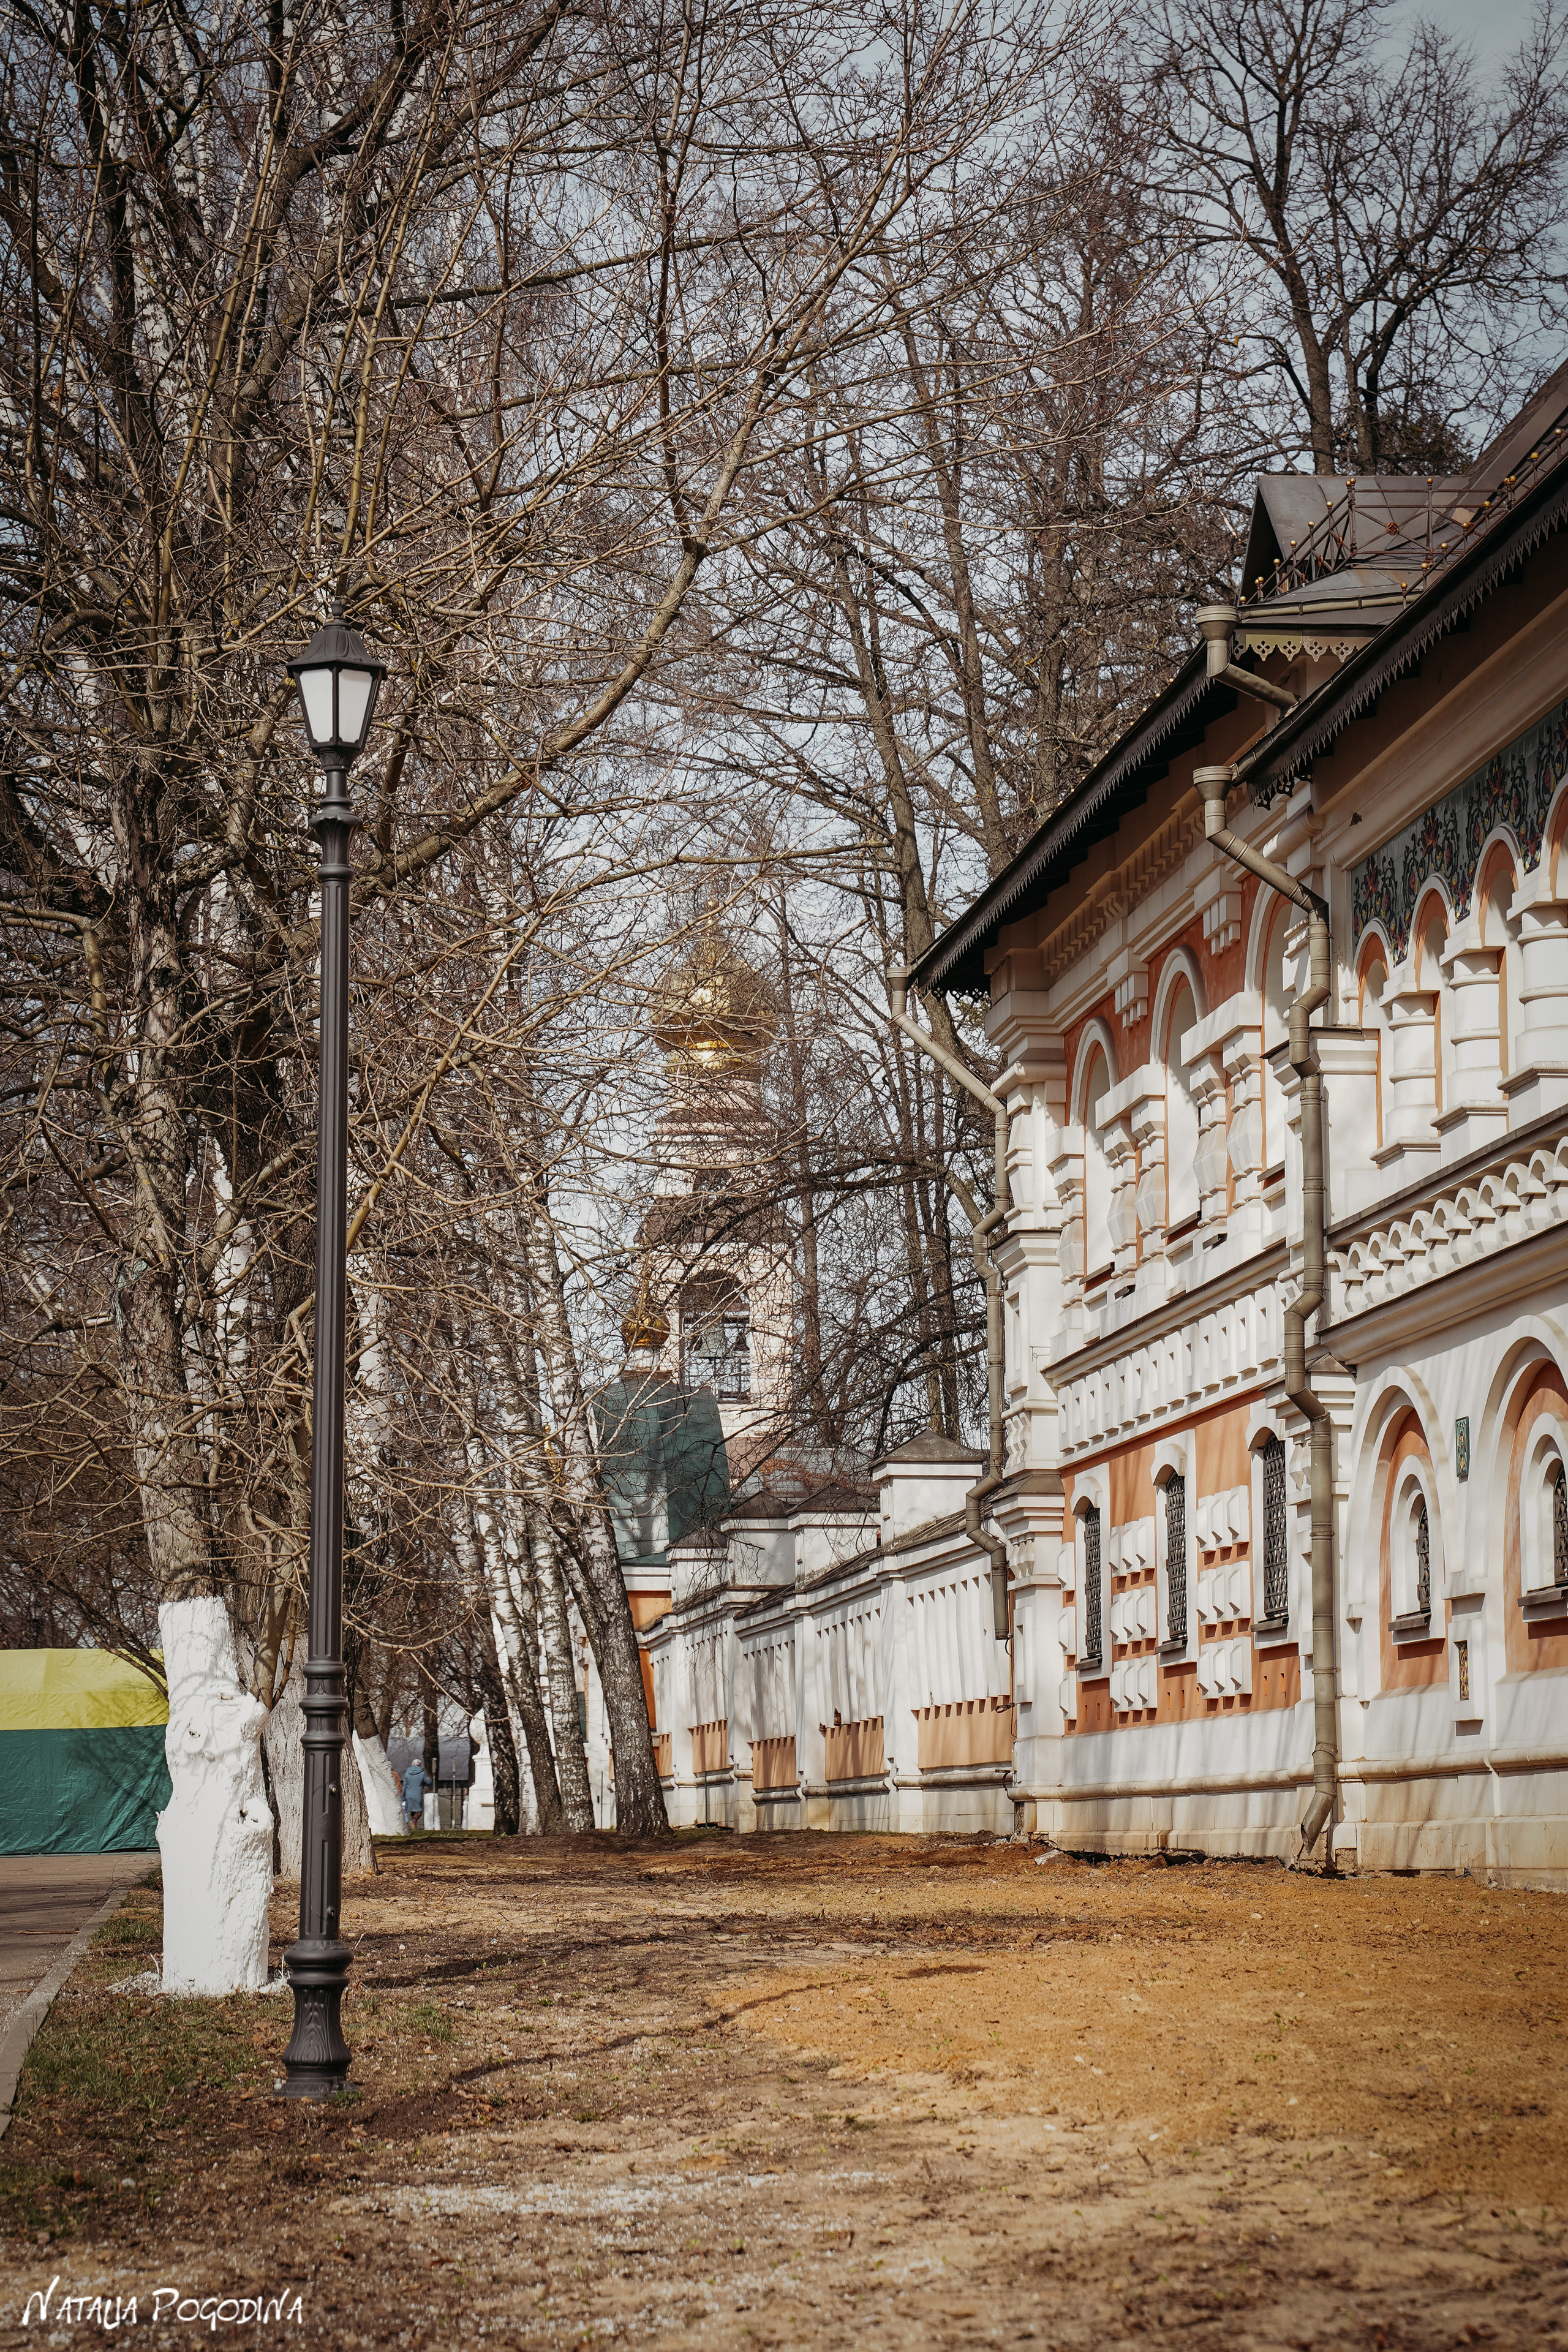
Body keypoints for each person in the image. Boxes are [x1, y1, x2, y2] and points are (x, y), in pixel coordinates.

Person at [401, 1755, 431, 1832]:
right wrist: (423, 1784)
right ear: (420, 1765)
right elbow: (429, 1782)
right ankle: (413, 1820)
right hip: (417, 1794)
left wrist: (403, 1797)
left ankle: (414, 1828)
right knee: (419, 1812)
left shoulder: (407, 1773)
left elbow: (404, 1786)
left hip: (408, 1795)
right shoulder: (422, 1773)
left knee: (413, 1811)